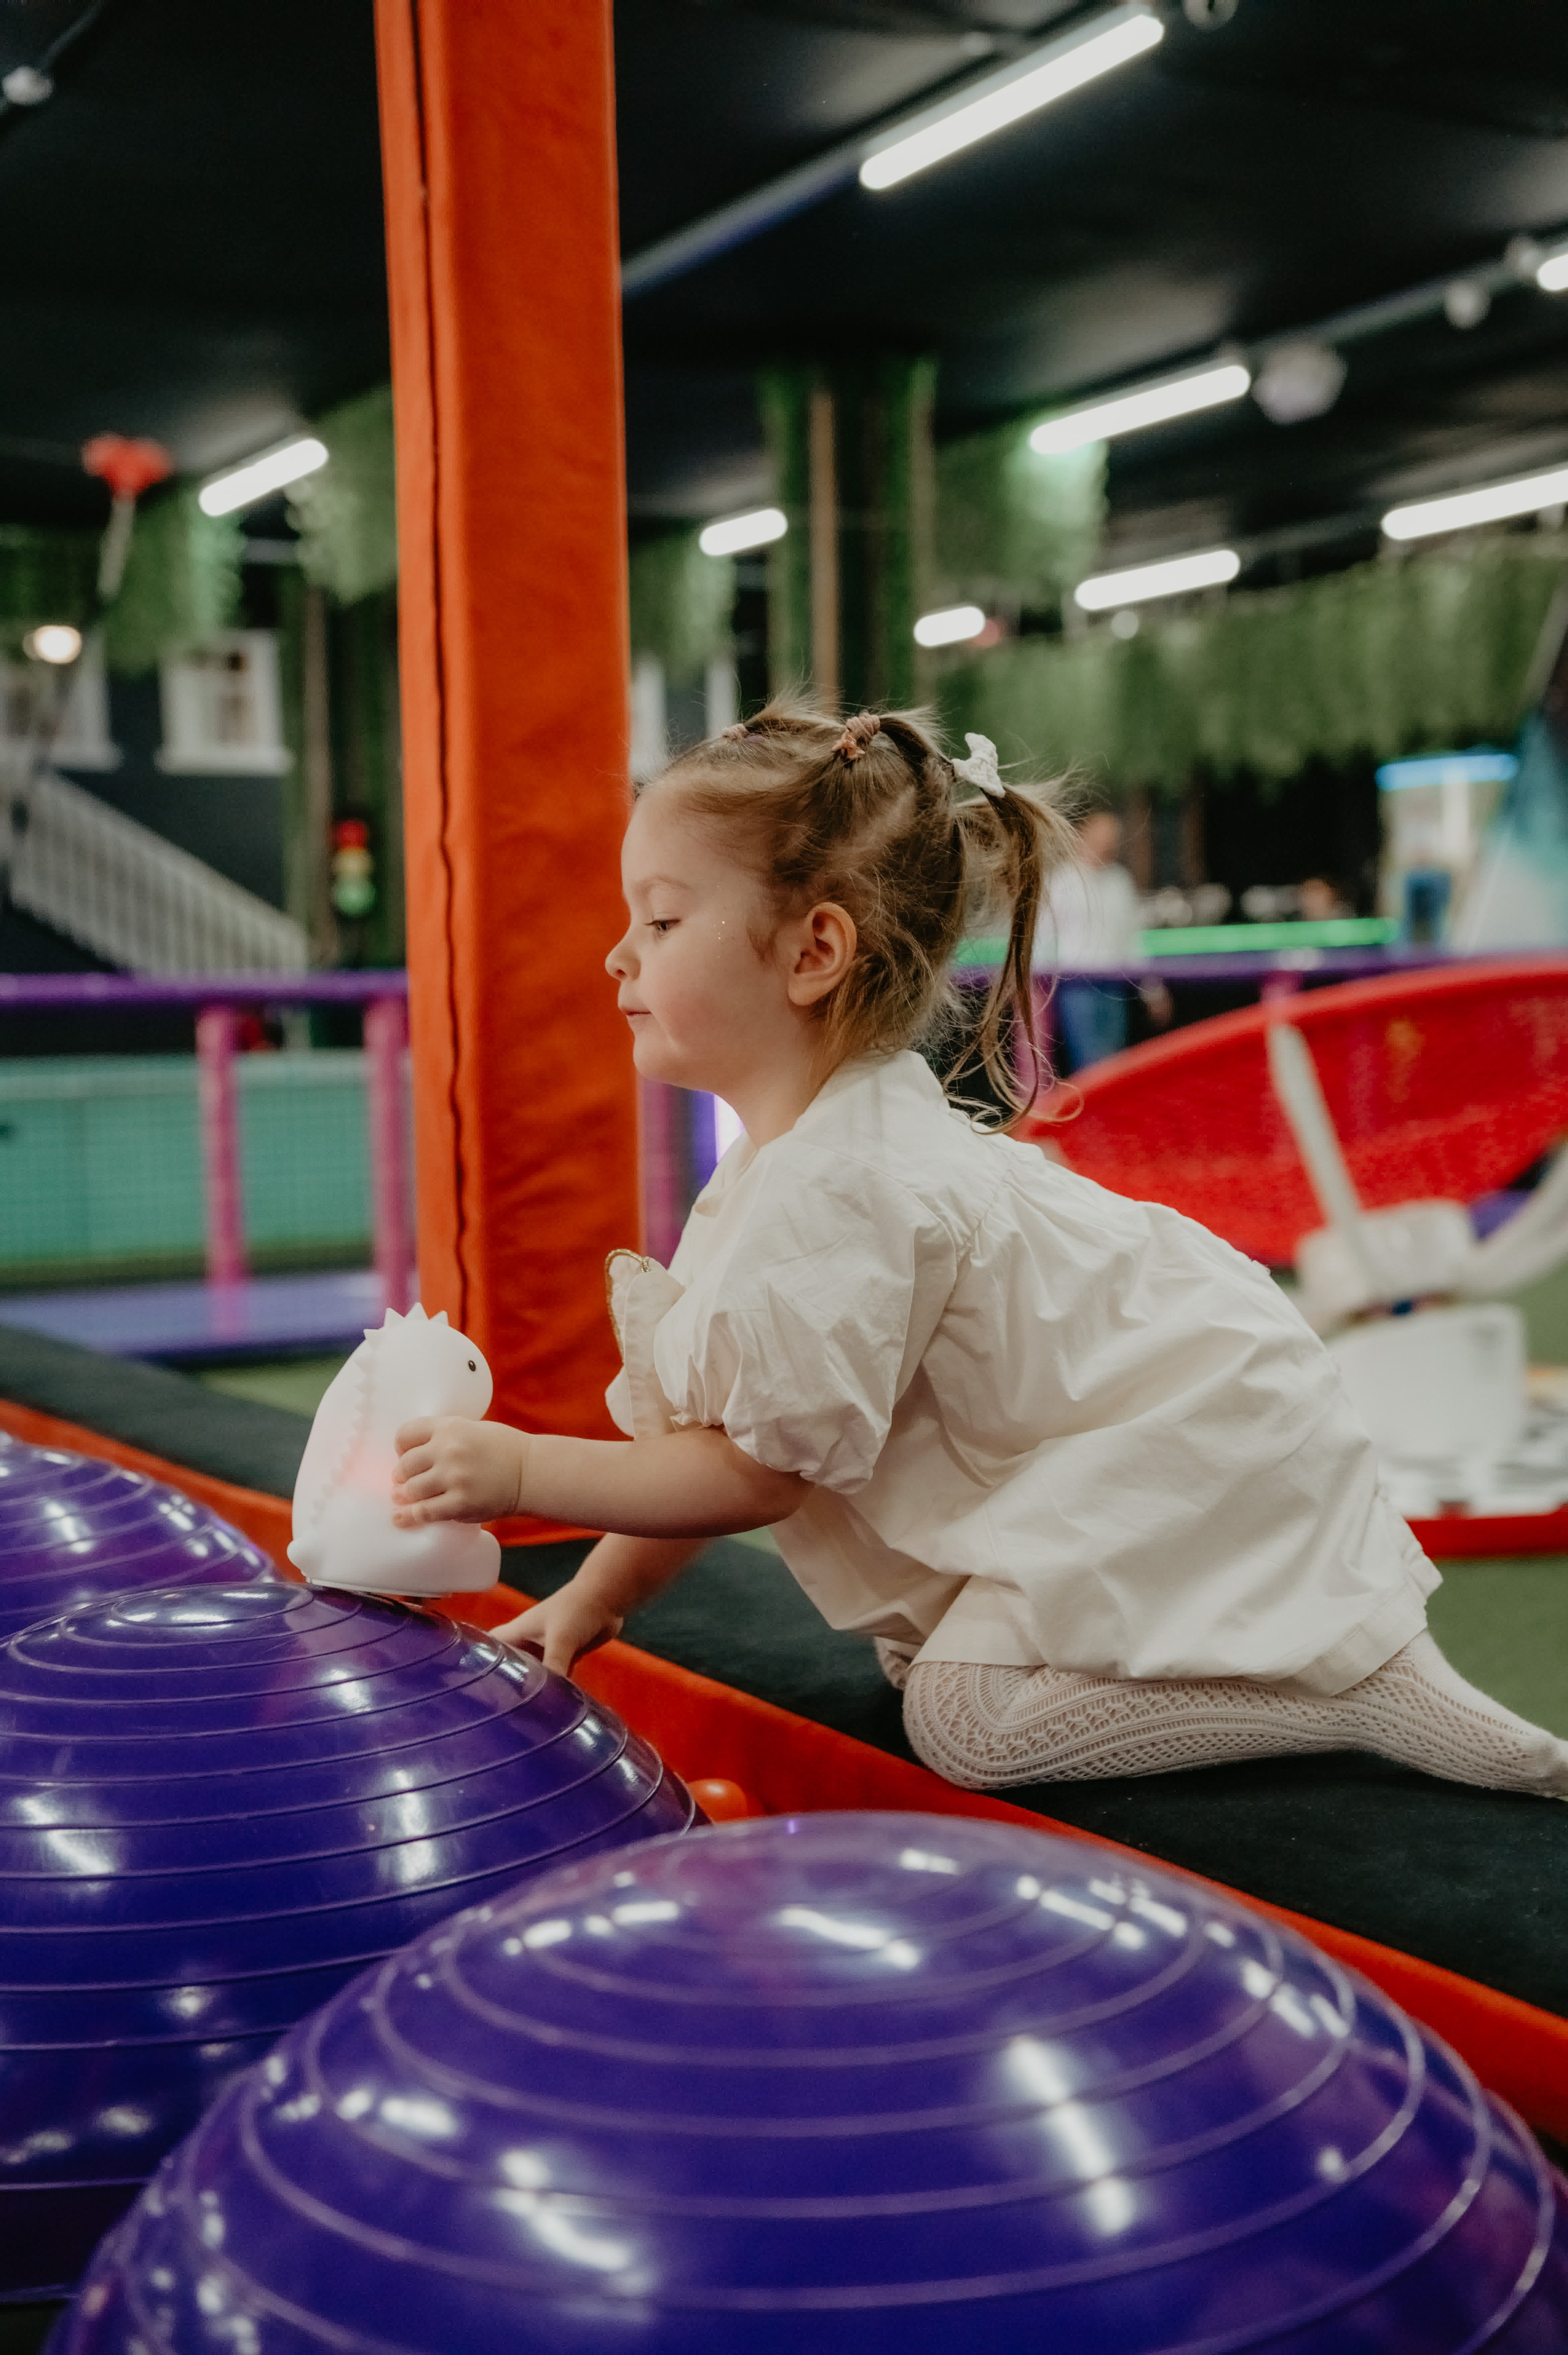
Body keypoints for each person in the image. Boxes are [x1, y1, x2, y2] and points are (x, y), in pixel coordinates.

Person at [390, 703, 1568, 1798]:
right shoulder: (795, 1158)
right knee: (936, 1669)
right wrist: (591, 1600)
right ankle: (1337, 1681)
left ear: (813, 952)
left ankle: (1345, 1697)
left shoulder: (843, 1182)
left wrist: (524, 1470)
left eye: (659, 918)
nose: (618, 955)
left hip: (1183, 1443)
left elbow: (756, 1472)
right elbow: (730, 1436)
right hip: (1146, 1434)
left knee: (967, 1723)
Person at [1035, 804, 1169, 1068]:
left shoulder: (1120, 881)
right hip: (1076, 985)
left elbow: (1132, 940)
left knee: (1114, 1064)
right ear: (1084, 836)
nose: (1107, 846)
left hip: (1114, 984)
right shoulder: (1060, 882)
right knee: (1090, 1063)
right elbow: (1042, 939)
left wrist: (1152, 990)